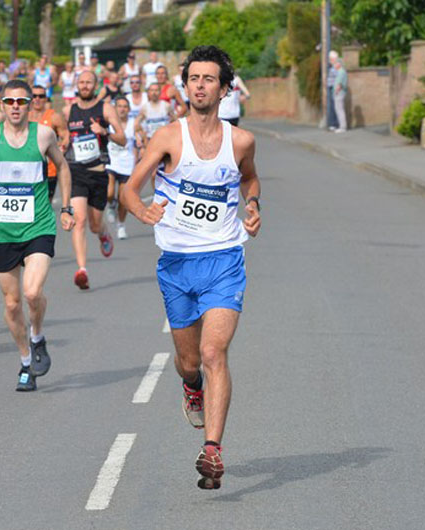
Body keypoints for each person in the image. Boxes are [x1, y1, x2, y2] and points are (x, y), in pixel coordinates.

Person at [121, 45, 261, 490]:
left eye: (208, 79)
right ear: (185, 86)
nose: (200, 85)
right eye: (193, 78)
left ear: (224, 89)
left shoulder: (241, 142)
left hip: (224, 260)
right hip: (177, 265)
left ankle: (213, 450)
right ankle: (191, 386)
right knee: (187, 362)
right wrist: (142, 212)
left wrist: (253, 204)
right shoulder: (167, 137)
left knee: (213, 352)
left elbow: (249, 178)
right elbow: (129, 187)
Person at [0, 80, 75, 391]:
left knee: (31, 292)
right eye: (9, 101)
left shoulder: (42, 135)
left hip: (38, 226)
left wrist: (65, 208)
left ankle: (37, 335)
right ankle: (26, 361)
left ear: (30, 104)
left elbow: (63, 167)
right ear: (1, 105)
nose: (15, 106)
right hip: (3, 231)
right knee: (12, 304)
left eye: (21, 101)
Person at [62, 70, 126, 290]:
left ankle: (104, 234)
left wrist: (105, 131)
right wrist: (62, 144)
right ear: (76, 85)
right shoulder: (68, 110)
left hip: (98, 172)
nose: (85, 85)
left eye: (89, 82)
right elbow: (62, 137)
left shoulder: (105, 109)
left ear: (96, 85)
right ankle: (82, 270)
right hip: (76, 171)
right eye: (82, 82)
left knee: (95, 224)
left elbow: (123, 138)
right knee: (79, 221)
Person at [105, 96, 142, 240]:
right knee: (108, 192)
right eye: (119, 106)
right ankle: (111, 204)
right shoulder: (109, 124)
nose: (122, 109)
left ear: (129, 109)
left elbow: (141, 140)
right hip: (111, 161)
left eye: (125, 107)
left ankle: (121, 225)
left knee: (123, 199)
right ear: (115, 109)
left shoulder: (134, 125)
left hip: (127, 164)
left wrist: (141, 145)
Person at [29, 84, 69, 202]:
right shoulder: (23, 116)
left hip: (49, 168)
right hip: (28, 166)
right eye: (34, 96)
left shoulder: (54, 117)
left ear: (46, 98)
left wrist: (63, 147)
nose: (37, 99)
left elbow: (66, 135)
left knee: (46, 203)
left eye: (41, 96)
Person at [333, 58, 348, 133]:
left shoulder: (341, 72)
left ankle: (343, 127)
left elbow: (340, 84)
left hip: (339, 93)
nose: (334, 65)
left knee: (339, 109)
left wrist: (336, 91)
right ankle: (341, 126)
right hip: (339, 93)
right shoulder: (340, 72)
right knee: (338, 109)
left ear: (339, 64)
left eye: (335, 63)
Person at [326, 51, 339, 131]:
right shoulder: (333, 67)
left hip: (334, 88)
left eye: (330, 59)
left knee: (333, 106)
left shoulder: (335, 67)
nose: (329, 60)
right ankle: (333, 123)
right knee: (333, 105)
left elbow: (337, 77)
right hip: (332, 87)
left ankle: (333, 124)